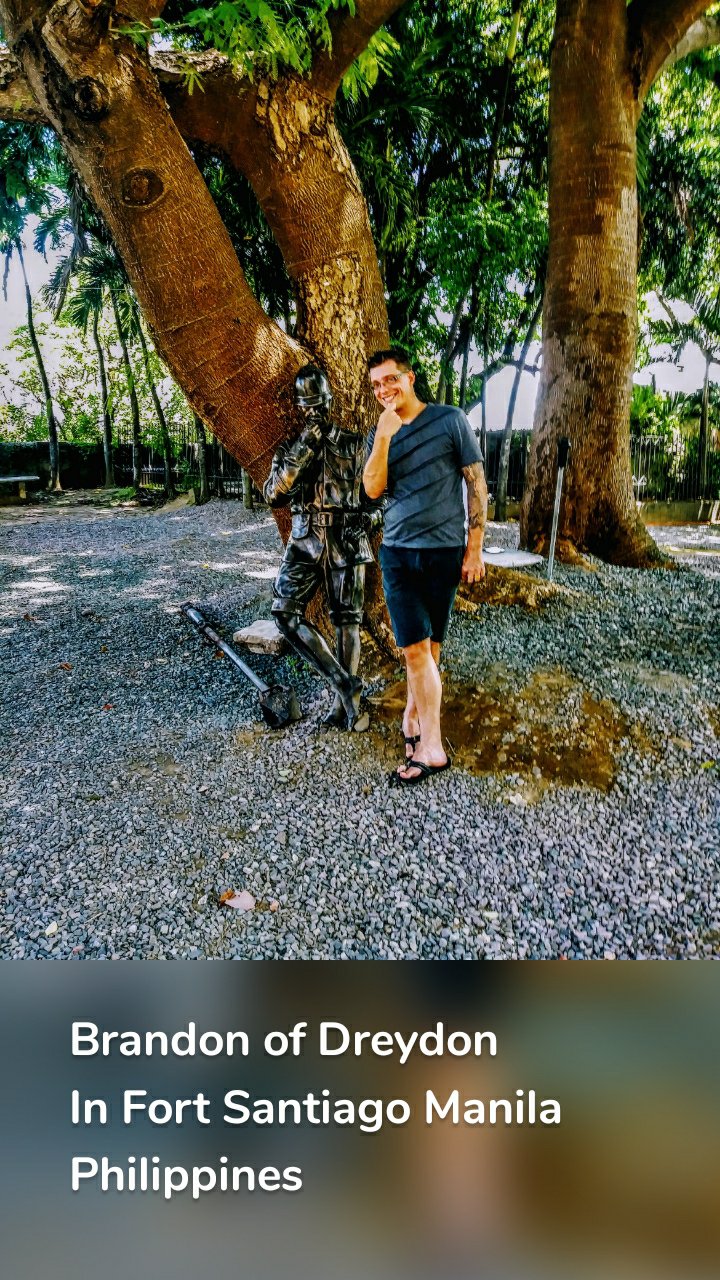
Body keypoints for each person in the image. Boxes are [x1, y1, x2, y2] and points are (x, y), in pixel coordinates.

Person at [363, 347, 487, 785]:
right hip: (398, 553)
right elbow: (372, 490)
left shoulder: (450, 420)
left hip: (444, 551)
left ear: (409, 378)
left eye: (390, 379)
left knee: (430, 650)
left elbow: (476, 484)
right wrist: (383, 436)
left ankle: (415, 717)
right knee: (414, 650)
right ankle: (432, 747)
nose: (384, 390)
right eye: (376, 384)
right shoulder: (380, 431)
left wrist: (475, 549)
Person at [264, 363, 383, 731]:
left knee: (347, 622)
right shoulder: (290, 449)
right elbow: (274, 495)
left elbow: (383, 497)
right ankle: (346, 684)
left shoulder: (355, 445)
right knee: (284, 613)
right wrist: (305, 448)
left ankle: (342, 705)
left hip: (347, 540)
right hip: (304, 542)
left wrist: (370, 519)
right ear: (300, 408)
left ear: (330, 401)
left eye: (320, 404)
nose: (315, 412)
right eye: (308, 406)